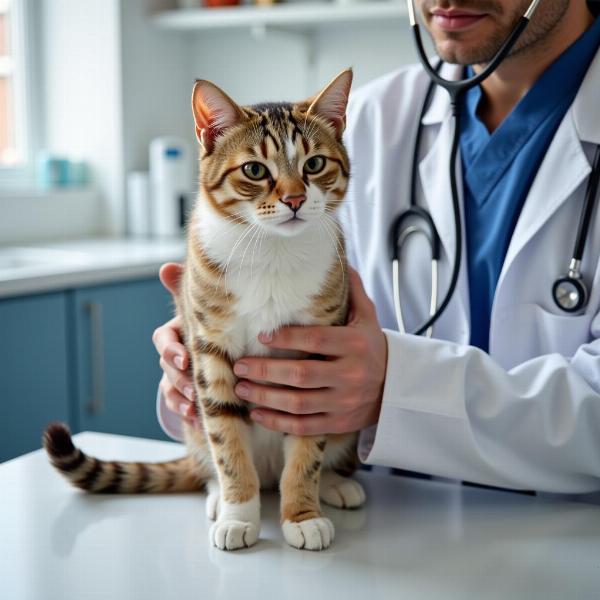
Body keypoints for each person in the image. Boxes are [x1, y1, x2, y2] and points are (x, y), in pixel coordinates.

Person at [153, 0, 600, 495]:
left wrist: (397, 391)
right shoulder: (366, 120)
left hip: (573, 541)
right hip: (381, 528)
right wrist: (201, 373)